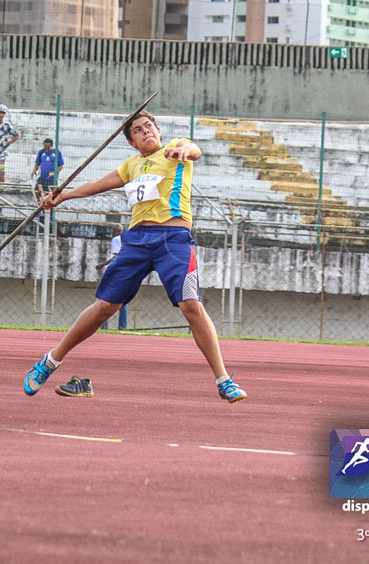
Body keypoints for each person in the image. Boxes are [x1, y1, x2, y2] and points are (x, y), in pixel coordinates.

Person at [23, 111, 247, 403]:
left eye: (149, 127)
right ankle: (50, 361)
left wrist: (184, 150)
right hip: (137, 241)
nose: (146, 132)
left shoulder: (176, 149)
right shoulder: (131, 166)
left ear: (159, 131)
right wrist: (62, 196)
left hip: (174, 240)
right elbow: (97, 185)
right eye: (138, 131)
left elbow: (195, 150)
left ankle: (224, 380)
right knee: (104, 307)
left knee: (191, 305)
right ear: (132, 142)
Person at [98, 223, 129, 330]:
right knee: (122, 300)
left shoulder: (116, 239)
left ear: (114, 231)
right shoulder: (126, 240)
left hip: (116, 271)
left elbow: (116, 255)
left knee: (106, 298)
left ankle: (104, 327)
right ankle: (122, 326)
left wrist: (103, 264)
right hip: (125, 271)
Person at [31, 138, 65, 203]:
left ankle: (48, 208)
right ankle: (39, 205)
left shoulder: (57, 152)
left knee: (50, 195)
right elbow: (37, 163)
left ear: (52, 146)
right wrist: (34, 170)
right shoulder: (41, 152)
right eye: (45, 147)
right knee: (36, 191)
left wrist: (54, 173)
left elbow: (61, 166)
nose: (46, 149)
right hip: (42, 177)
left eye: (48, 147)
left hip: (52, 180)